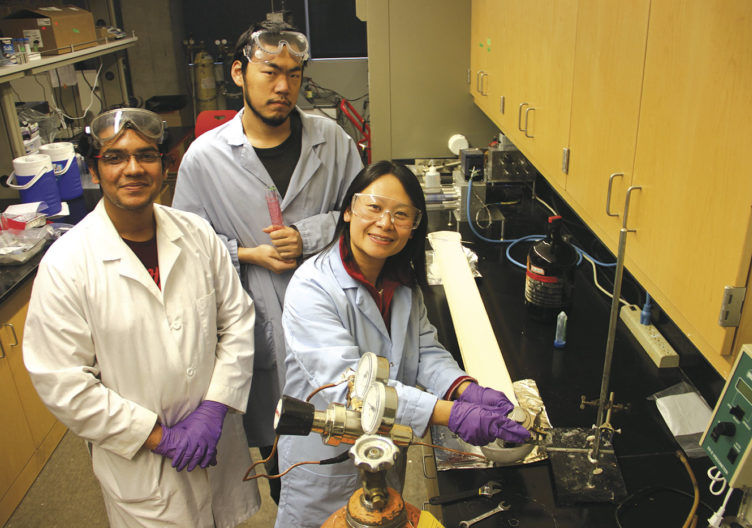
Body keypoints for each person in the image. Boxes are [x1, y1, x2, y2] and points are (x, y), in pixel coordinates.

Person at [23, 108, 260, 527]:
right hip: (146, 471)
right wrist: (157, 436)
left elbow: (237, 320)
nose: (133, 168)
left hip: (214, 445)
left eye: (146, 155)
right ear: (95, 170)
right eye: (115, 157)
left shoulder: (197, 234)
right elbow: (62, 381)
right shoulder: (66, 263)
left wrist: (214, 407)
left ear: (165, 167)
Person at [275, 161, 532, 527]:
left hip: (384, 451)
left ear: (414, 227)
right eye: (374, 207)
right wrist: (451, 414)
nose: (385, 223)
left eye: (401, 214)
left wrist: (463, 388)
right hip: (328, 461)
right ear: (348, 210)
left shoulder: (400, 280)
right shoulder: (312, 288)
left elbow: (423, 350)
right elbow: (354, 388)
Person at [172, 20, 363, 499]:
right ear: (239, 73)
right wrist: (246, 253)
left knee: (353, 456)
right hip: (261, 329)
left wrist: (307, 234)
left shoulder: (332, 141)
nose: (283, 87)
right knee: (287, 468)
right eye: (270, 72)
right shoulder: (204, 158)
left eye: (294, 75)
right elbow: (185, 249)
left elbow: (362, 216)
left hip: (334, 320)